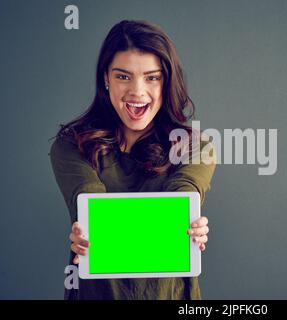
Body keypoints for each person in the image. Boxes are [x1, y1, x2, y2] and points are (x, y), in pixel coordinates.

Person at [49, 20, 216, 300]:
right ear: (106, 78)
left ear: (167, 80)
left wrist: (187, 222)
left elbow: (182, 196)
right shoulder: (71, 146)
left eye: (152, 77)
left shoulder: (196, 147)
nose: (137, 92)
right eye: (123, 76)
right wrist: (166, 224)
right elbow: (93, 207)